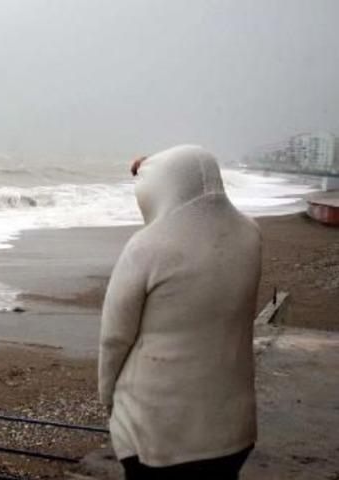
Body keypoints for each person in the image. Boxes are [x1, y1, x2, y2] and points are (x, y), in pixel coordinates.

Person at [99, 145, 262, 480]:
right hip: (233, 431)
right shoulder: (251, 236)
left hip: (158, 435)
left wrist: (107, 398)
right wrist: (148, 166)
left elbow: (114, 339)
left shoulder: (146, 247)